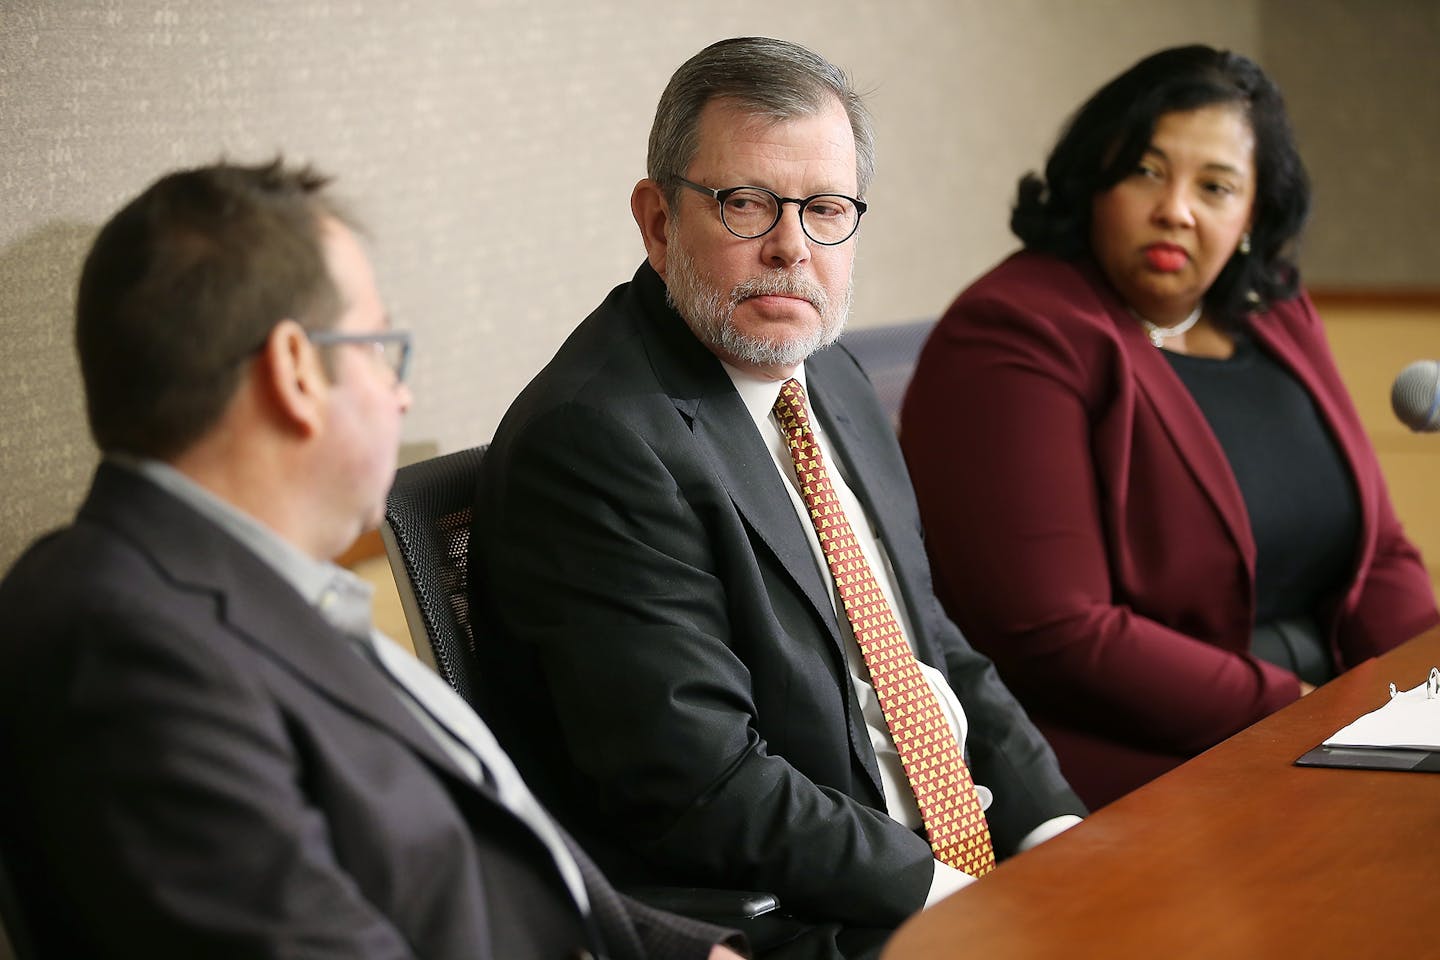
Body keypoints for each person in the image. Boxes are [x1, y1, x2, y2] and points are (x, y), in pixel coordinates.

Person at [0, 160, 746, 960]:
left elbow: (509, 875)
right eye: (383, 349)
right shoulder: (116, 647)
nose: (403, 398)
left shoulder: (267, 591)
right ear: (294, 372)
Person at [470, 37, 1085, 959]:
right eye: (746, 203)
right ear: (657, 221)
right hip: (796, 918)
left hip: (943, 865)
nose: (791, 246)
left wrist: (1059, 835)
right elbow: (700, 786)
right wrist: (957, 895)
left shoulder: (824, 374)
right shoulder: (598, 439)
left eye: (826, 208)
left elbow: (930, 642)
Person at [900, 45, 1439, 810]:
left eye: (1215, 186)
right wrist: (1313, 713)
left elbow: (1377, 549)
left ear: (1251, 214)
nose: (1176, 208)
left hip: (1323, 717)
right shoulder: (1013, 331)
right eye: (1148, 171)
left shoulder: (1274, 308)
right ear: (1095, 179)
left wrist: (1423, 693)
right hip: (1139, 755)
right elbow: (1055, 631)